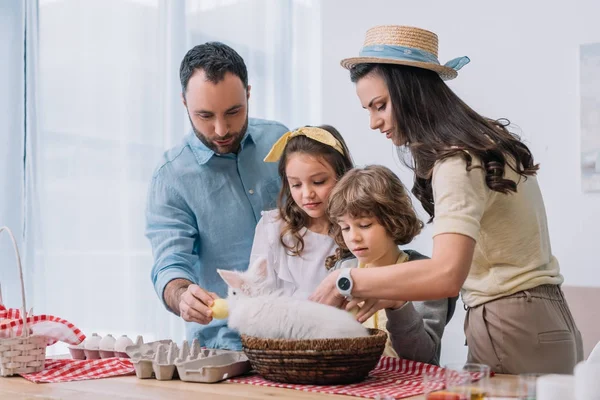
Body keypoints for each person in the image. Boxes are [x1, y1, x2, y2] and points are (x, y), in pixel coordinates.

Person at [310, 25, 582, 374]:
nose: (374, 122)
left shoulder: (456, 161)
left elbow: (447, 273)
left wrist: (345, 281)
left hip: (512, 323)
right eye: (368, 110)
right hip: (545, 317)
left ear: (411, 92)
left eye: (380, 106)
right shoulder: (483, 142)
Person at [145, 42, 288, 350]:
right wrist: (182, 294)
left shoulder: (282, 141)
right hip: (227, 347)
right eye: (205, 115)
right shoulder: (171, 177)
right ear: (184, 103)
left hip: (298, 337)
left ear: (248, 93)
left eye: (233, 112)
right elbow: (170, 264)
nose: (221, 129)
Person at [326, 165, 457, 364]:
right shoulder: (342, 272)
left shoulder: (425, 273)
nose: (353, 237)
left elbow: (423, 356)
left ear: (393, 220)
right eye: (345, 227)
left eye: (364, 225)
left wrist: (399, 305)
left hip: (409, 388)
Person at [248, 125, 353, 298]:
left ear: (342, 175)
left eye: (318, 181)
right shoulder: (272, 227)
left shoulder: (355, 229)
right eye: (296, 184)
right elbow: (255, 297)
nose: (307, 194)